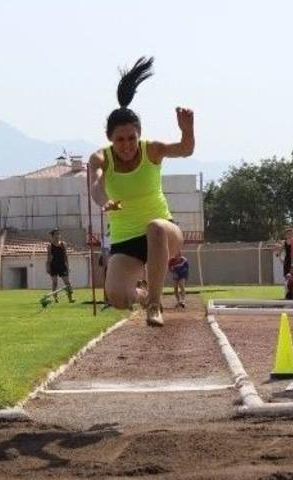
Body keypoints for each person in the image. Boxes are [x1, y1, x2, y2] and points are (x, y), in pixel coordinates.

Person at [87, 56, 194, 327]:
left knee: (155, 227)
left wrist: (188, 130)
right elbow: (96, 184)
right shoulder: (101, 158)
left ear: (139, 134)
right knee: (117, 298)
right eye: (120, 140)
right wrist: (106, 201)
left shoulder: (152, 150)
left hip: (164, 233)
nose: (126, 145)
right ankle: (144, 295)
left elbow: (185, 149)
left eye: (131, 138)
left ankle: (155, 305)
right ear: (110, 139)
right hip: (126, 242)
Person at [46, 229, 74, 303]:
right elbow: (48, 257)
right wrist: (48, 267)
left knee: (67, 283)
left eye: (58, 234)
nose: (58, 236)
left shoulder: (63, 244)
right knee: (55, 283)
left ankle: (70, 299)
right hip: (53, 265)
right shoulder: (49, 246)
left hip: (62, 265)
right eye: (56, 234)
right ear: (52, 236)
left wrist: (68, 266)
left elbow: (66, 256)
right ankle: (56, 299)